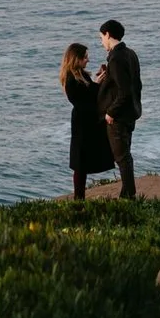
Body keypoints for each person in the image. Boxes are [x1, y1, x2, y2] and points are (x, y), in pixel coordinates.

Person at [62, 42, 114, 200]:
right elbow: (82, 99)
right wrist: (97, 84)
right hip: (82, 123)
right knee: (80, 162)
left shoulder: (81, 75)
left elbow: (90, 93)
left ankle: (80, 197)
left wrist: (96, 83)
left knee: (84, 161)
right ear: (75, 59)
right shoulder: (71, 78)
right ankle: (79, 197)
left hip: (88, 120)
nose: (87, 60)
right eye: (85, 57)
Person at [97, 18, 142, 199]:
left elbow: (123, 91)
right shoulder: (130, 54)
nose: (101, 42)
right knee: (125, 156)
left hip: (119, 117)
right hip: (131, 112)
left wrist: (110, 112)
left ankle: (128, 195)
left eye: (101, 37)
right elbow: (135, 85)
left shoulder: (116, 58)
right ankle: (127, 193)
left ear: (108, 34)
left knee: (122, 158)